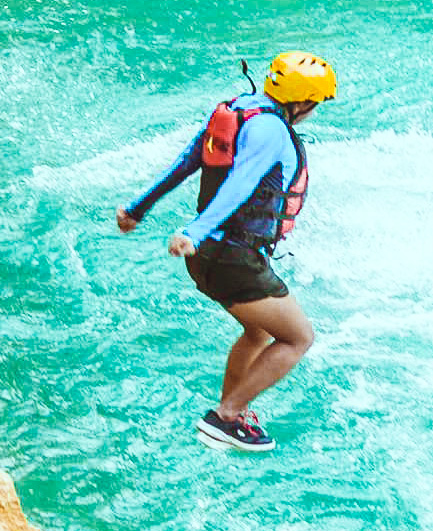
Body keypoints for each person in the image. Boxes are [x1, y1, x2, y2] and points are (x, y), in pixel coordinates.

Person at [115, 51, 336, 452]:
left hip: (207, 259)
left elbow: (186, 162)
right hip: (233, 258)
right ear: (303, 102)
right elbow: (241, 184)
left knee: (257, 331)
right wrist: (194, 231)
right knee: (298, 338)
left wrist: (137, 209)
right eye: (315, 104)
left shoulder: (237, 110)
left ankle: (231, 415)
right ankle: (227, 415)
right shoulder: (272, 132)